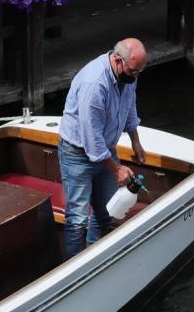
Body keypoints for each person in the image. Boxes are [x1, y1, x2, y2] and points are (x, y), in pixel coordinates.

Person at [58, 38, 148, 259]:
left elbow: (129, 105)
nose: (135, 76)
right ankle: (71, 272)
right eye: (133, 71)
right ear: (118, 60)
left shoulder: (128, 76)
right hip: (77, 154)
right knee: (77, 221)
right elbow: (92, 139)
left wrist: (135, 139)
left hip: (105, 149)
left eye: (139, 72)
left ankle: (93, 258)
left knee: (106, 212)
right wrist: (116, 169)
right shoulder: (95, 84)